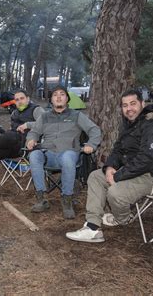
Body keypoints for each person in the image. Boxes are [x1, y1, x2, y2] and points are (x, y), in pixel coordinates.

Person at [66, 89, 153, 243]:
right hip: (139, 171)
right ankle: (92, 228)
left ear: (142, 103)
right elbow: (118, 148)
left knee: (115, 193)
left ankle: (123, 219)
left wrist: (118, 176)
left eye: (133, 104)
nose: (129, 109)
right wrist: (110, 167)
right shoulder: (132, 123)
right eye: (125, 105)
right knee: (96, 176)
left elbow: (148, 159)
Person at [26, 85, 102, 219]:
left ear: (67, 99)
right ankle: (41, 198)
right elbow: (34, 132)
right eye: (55, 95)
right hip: (48, 153)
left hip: (69, 153)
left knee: (67, 157)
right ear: (51, 100)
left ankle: (67, 200)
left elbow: (94, 130)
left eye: (62, 94)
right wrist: (31, 139)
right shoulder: (44, 117)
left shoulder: (77, 115)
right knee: (34, 155)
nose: (59, 97)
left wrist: (91, 145)